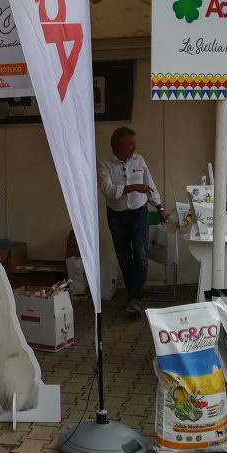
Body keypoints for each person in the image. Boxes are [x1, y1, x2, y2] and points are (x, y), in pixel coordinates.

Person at [98, 126, 167, 315]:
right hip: (116, 217)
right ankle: (133, 295)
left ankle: (135, 297)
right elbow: (108, 190)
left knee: (140, 256)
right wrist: (132, 187)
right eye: (131, 145)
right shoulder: (104, 164)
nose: (135, 148)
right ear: (118, 147)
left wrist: (159, 207)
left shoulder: (139, 160)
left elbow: (149, 185)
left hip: (139, 213)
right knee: (124, 258)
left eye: (134, 144)